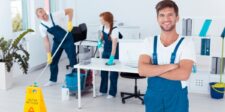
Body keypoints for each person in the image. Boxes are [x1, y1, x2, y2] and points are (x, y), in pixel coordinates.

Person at [138, 0, 196, 112]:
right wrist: (170, 66)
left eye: (170, 14)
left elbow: (184, 74)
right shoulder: (148, 42)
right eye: (162, 15)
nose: (166, 19)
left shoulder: (187, 43)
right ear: (157, 19)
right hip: (153, 97)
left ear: (177, 17)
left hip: (177, 99)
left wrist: (153, 70)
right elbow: (142, 70)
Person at [36, 8, 77, 86]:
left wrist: (70, 22)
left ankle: (75, 78)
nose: (45, 16)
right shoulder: (42, 26)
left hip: (67, 38)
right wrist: (48, 55)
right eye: (42, 16)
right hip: (58, 41)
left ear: (45, 11)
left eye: (45, 14)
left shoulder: (55, 14)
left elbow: (71, 10)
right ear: (39, 18)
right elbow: (46, 41)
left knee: (72, 58)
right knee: (53, 60)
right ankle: (53, 80)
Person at [97, 12, 120, 99]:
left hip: (113, 52)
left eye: (101, 19)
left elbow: (114, 46)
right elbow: (102, 35)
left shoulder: (114, 30)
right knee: (103, 72)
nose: (100, 21)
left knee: (113, 73)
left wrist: (111, 59)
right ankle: (103, 90)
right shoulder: (102, 26)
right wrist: (100, 41)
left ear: (107, 20)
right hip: (105, 50)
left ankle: (112, 92)